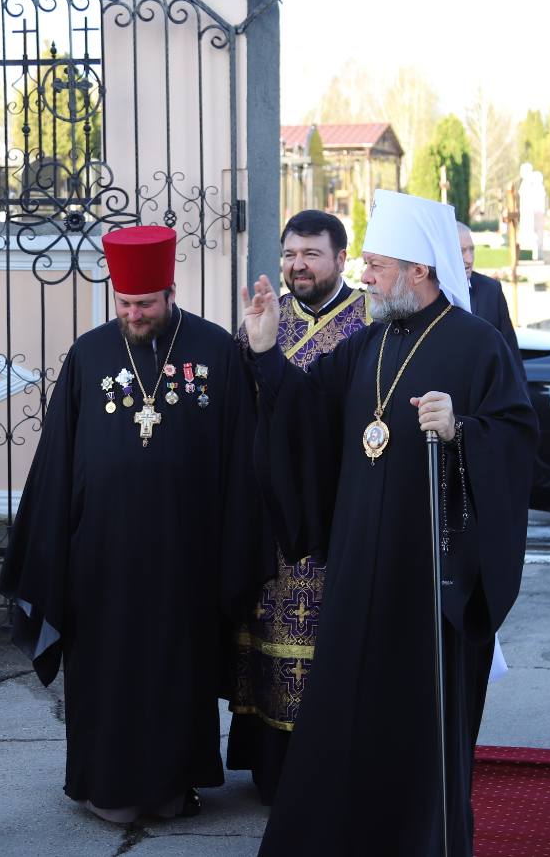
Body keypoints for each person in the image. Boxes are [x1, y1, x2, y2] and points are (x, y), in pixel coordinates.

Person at [241, 189, 539, 857]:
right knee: (344, 711)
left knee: (417, 721)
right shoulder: (368, 343)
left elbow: (518, 441)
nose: (365, 276)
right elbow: (306, 412)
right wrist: (265, 354)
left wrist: (463, 430)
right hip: (355, 570)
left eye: (376, 264)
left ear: (419, 270)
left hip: (430, 579)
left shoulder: (478, 345)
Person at [0, 225, 258, 826]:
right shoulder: (89, 354)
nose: (133, 314)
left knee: (174, 672)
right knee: (106, 674)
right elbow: (58, 457)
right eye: (124, 303)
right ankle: (102, 785)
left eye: (145, 304)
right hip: (101, 555)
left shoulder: (216, 350)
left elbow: (241, 455)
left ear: (170, 294)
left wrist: (233, 548)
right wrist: (49, 549)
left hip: (185, 553)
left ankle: (174, 787)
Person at [228, 209, 368, 804]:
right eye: (289, 254)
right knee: (266, 636)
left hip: (337, 508)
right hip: (269, 513)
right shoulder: (265, 318)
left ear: (341, 258)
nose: (298, 265)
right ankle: (273, 770)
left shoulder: (369, 321)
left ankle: (329, 770)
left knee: (331, 644)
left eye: (311, 254)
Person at [457, 221, 519, 359]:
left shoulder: (492, 291)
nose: (469, 259)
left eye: (472, 249)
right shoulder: (430, 293)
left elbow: (510, 352)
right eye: (461, 251)